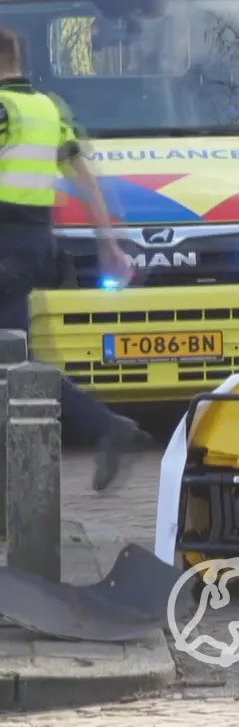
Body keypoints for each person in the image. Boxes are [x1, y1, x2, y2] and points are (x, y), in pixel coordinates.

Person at [0, 27, 143, 491]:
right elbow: (85, 177)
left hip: (3, 242)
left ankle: (101, 427)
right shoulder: (47, 109)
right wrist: (109, 242)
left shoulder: (3, 110)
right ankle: (99, 429)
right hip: (33, 245)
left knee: (15, 364)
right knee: (15, 361)